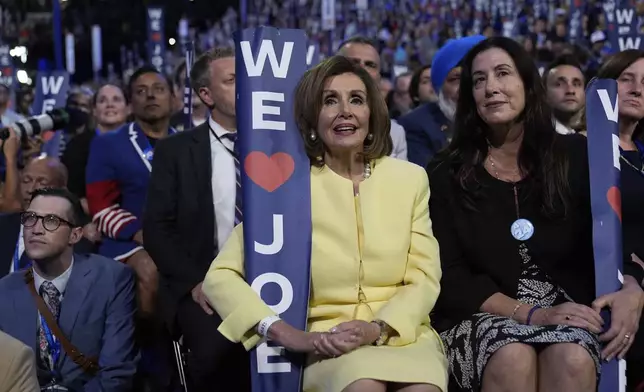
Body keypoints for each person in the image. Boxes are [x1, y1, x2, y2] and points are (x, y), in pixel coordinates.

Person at [202, 55, 447, 392]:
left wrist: (377, 328)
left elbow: (424, 276)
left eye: (356, 100)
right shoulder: (288, 187)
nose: (345, 110)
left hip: (402, 334)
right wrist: (289, 335)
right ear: (311, 119)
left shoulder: (409, 179)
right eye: (330, 100)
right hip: (327, 341)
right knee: (364, 386)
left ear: (371, 115)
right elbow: (220, 277)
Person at [428, 37, 644, 392]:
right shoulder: (446, 171)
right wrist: (532, 314)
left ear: (528, 84)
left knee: (572, 355)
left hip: (569, 311)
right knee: (513, 355)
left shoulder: (576, 155)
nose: (491, 88)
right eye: (479, 80)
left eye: (502, 74)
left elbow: (621, 232)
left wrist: (633, 287)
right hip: (481, 316)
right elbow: (450, 274)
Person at [143, 47, 250, 392]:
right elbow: (158, 229)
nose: (245, 86)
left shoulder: (281, 145)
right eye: (233, 80)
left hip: (278, 283)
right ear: (206, 94)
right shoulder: (174, 152)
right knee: (218, 356)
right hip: (205, 286)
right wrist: (195, 283)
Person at [0, 187, 138, 391]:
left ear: (75, 235)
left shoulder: (112, 279)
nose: (36, 229)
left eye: (51, 221)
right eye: (31, 218)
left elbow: (116, 374)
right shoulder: (4, 290)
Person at [86, 66, 176, 317]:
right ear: (130, 103)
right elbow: (101, 206)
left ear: (173, 98)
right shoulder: (108, 144)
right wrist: (139, 234)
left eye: (158, 89)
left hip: (181, 237)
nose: (151, 96)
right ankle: (150, 350)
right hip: (128, 241)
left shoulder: (187, 141)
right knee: (150, 271)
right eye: (141, 91)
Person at [586, 49, 644, 390]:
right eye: (627, 79)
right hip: (593, 289)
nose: (638, 89)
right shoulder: (573, 152)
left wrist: (636, 281)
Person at [0, 134, 96, 277]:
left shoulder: (77, 243)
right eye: (26, 180)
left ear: (62, 189)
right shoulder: (3, 226)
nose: (31, 189)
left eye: (42, 182)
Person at [399, 35, 486, 168]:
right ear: (438, 89)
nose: (465, 87)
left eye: (476, 77)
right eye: (456, 79)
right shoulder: (416, 125)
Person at [338, 37, 408, 161]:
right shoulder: (318, 125)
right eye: (353, 62)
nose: (362, 68)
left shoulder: (395, 134)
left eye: (370, 65)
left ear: (379, 78)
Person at [62, 84, 130, 208]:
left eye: (116, 99)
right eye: (102, 100)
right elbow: (72, 193)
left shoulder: (141, 143)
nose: (110, 105)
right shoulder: (76, 146)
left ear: (128, 108)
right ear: (94, 110)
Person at [543, 55, 585, 135]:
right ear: (544, 92)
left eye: (576, 84)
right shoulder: (534, 136)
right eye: (559, 84)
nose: (570, 90)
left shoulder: (595, 137)